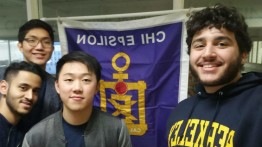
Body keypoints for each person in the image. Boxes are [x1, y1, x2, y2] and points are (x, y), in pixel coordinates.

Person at [166, 4, 262, 147]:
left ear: (243, 55)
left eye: (221, 44)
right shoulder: (180, 111)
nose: (208, 54)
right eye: (199, 45)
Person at [22, 51, 132, 147]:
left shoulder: (117, 129)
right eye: (69, 79)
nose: (77, 88)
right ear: (57, 86)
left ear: (97, 87)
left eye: (86, 80)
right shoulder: (35, 136)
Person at [0, 19, 61, 131]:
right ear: (20, 46)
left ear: (52, 49)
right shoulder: (3, 77)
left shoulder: (57, 88)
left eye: (46, 42)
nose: (39, 47)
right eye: (32, 40)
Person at [0, 61, 43, 147]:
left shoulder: (30, 132)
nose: (30, 96)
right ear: (3, 88)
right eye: (23, 88)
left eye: (35, 91)